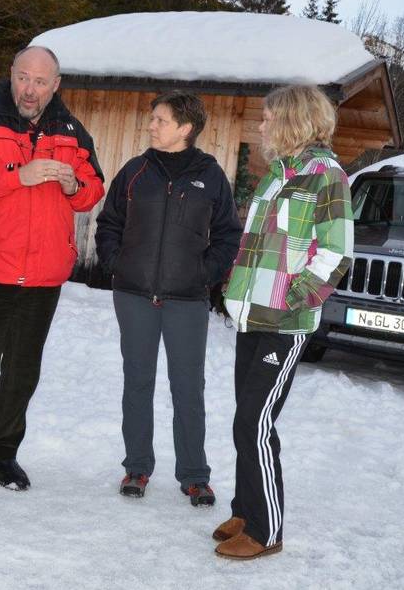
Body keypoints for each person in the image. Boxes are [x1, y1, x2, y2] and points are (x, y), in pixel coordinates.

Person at [0, 46, 105, 497]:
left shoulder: (71, 130)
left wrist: (74, 185)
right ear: (11, 75)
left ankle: (3, 452)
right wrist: (17, 173)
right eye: (23, 78)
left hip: (45, 272)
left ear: (56, 85)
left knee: (21, 372)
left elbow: (92, 190)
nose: (29, 90)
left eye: (40, 81)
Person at [213, 85, 354, 559]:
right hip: (253, 315)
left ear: (294, 120)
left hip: (285, 320)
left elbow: (336, 254)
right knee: (246, 420)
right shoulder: (275, 174)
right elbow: (253, 245)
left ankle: (267, 530)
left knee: (255, 419)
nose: (262, 126)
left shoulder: (327, 177)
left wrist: (294, 301)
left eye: (269, 118)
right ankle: (244, 508)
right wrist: (233, 290)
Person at [95, 91, 241, 505]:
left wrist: (204, 274)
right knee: (137, 382)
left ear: (185, 128)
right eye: (153, 119)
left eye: (160, 120)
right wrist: (115, 264)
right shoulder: (135, 171)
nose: (152, 125)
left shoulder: (210, 176)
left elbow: (229, 234)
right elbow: (109, 224)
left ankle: (194, 475)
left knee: (188, 388)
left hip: (187, 300)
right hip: (134, 295)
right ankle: (136, 468)